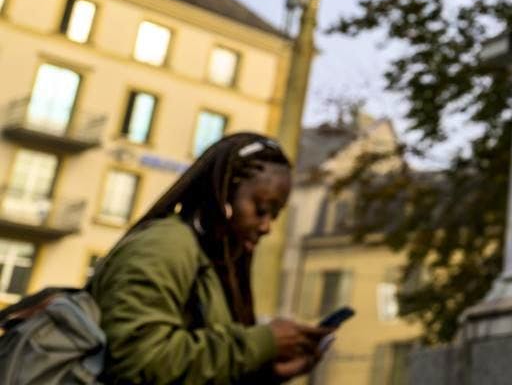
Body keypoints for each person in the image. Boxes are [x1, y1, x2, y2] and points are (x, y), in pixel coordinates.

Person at [88, 132, 331, 383]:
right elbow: (137, 361)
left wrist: (265, 373)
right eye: (261, 210)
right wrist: (263, 342)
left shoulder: (210, 261)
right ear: (224, 195)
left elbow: (192, 368)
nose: (267, 226)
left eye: (275, 215)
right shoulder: (164, 246)